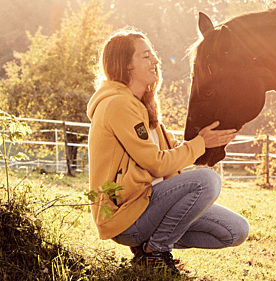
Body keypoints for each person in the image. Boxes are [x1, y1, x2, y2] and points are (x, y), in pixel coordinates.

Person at [86, 28, 250, 276]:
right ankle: (155, 251)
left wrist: (207, 143)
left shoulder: (143, 104)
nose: (156, 60)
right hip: (127, 214)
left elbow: (171, 150)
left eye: (153, 54)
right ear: (125, 66)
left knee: (235, 230)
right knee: (207, 182)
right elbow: (158, 165)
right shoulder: (117, 104)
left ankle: (151, 246)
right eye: (146, 55)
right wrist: (199, 144)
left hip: (149, 204)